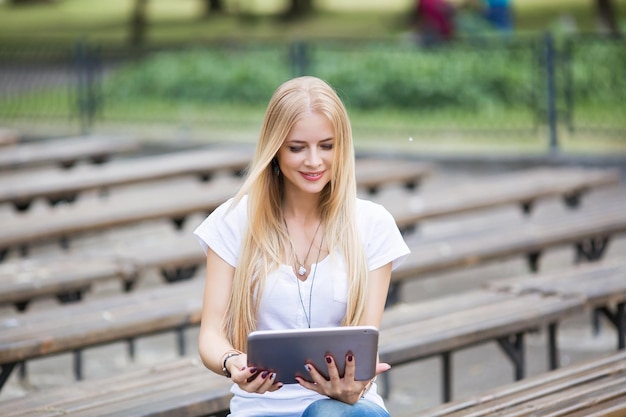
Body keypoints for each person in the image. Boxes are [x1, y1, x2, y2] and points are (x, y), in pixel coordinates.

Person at [193, 76, 410, 417]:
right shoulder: (233, 221)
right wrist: (231, 361)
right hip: (260, 408)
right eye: (297, 148)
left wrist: (355, 386)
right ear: (274, 149)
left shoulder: (373, 225)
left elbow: (366, 345)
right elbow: (211, 335)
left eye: (327, 145)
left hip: (345, 409)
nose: (314, 161)